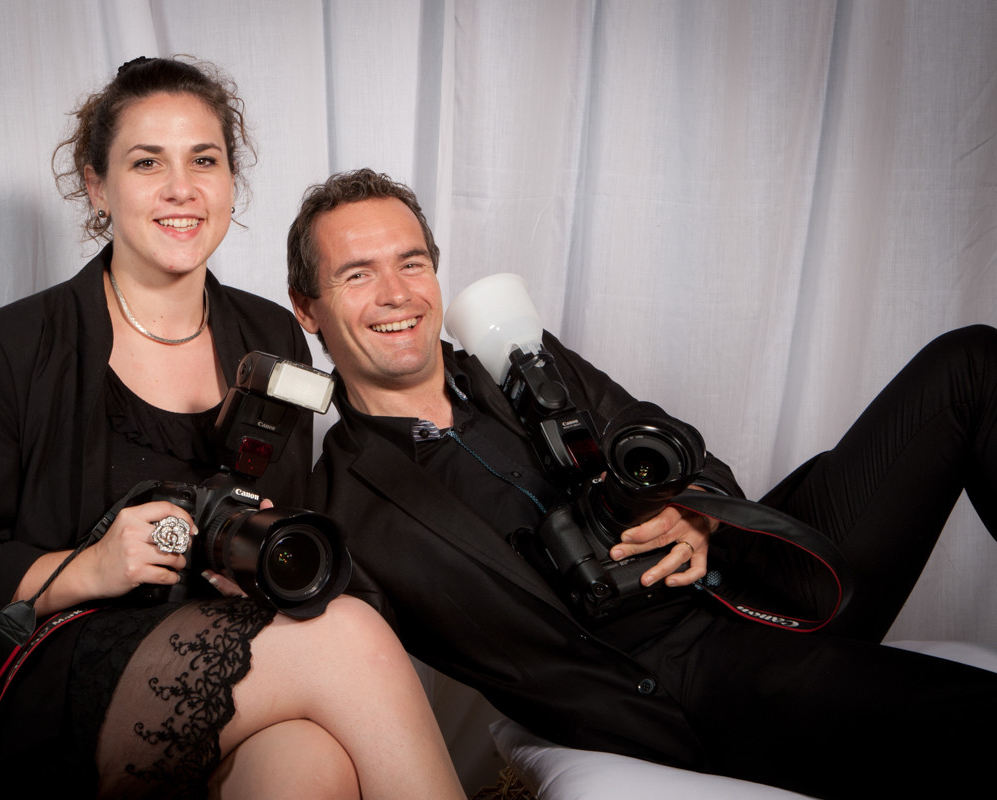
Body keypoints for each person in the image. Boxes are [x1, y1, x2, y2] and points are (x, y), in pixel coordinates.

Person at [286, 167, 997, 800]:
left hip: (760, 571)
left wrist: (697, 512)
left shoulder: (517, 355)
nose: (397, 294)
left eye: (411, 263)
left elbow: (677, 445)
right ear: (307, 308)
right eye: (358, 275)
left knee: (969, 366)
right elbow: (342, 668)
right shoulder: (340, 507)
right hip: (687, 677)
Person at [0, 62, 465, 800]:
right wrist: (90, 568)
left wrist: (259, 557)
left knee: (307, 762)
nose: (182, 188)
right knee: (351, 635)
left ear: (231, 180)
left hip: (224, 654)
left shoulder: (269, 334)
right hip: (45, 674)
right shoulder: (9, 346)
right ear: (97, 186)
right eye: (147, 163)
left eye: (204, 160)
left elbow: (287, 520)